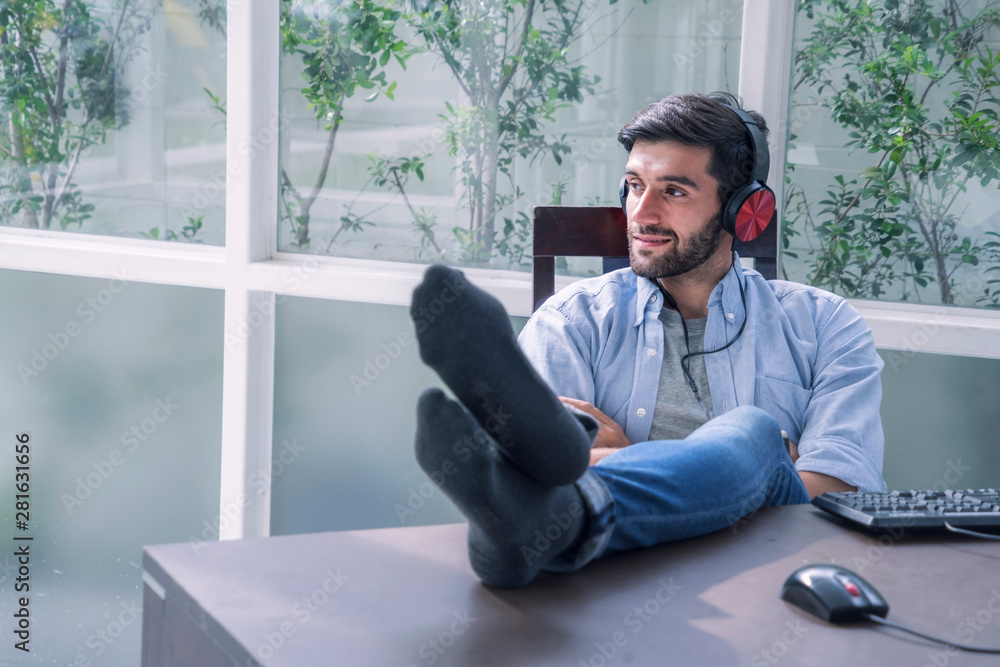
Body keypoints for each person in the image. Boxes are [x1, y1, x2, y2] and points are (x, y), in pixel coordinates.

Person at [410, 92, 885, 589]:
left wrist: (626, 455)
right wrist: (767, 468)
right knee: (762, 445)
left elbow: (836, 494)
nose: (642, 213)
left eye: (674, 191)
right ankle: (549, 527)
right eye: (635, 185)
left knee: (752, 433)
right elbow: (532, 481)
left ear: (742, 211)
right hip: (616, 577)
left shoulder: (826, 326)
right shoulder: (571, 322)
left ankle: (554, 527)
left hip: (768, 571)